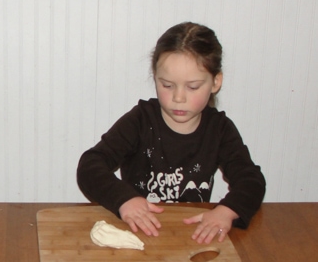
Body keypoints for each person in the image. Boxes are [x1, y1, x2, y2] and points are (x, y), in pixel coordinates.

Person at [77, 22, 265, 244]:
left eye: (192, 87)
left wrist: (226, 211)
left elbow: (251, 180)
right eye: (167, 85)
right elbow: (90, 165)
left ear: (216, 82)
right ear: (155, 77)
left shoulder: (219, 130)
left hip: (190, 238)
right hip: (138, 234)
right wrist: (124, 200)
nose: (178, 97)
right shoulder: (140, 120)